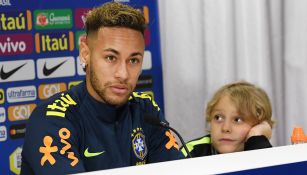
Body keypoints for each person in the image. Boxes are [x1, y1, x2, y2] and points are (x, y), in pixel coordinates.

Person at [21, 2, 183, 174]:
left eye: (133, 60)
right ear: (85, 53)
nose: (123, 74)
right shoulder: (52, 119)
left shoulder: (146, 109)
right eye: (111, 58)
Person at [181, 81, 274, 158]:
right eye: (218, 118)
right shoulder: (192, 151)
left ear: (259, 124)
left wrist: (256, 137)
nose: (225, 128)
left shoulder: (260, 146)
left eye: (237, 120)